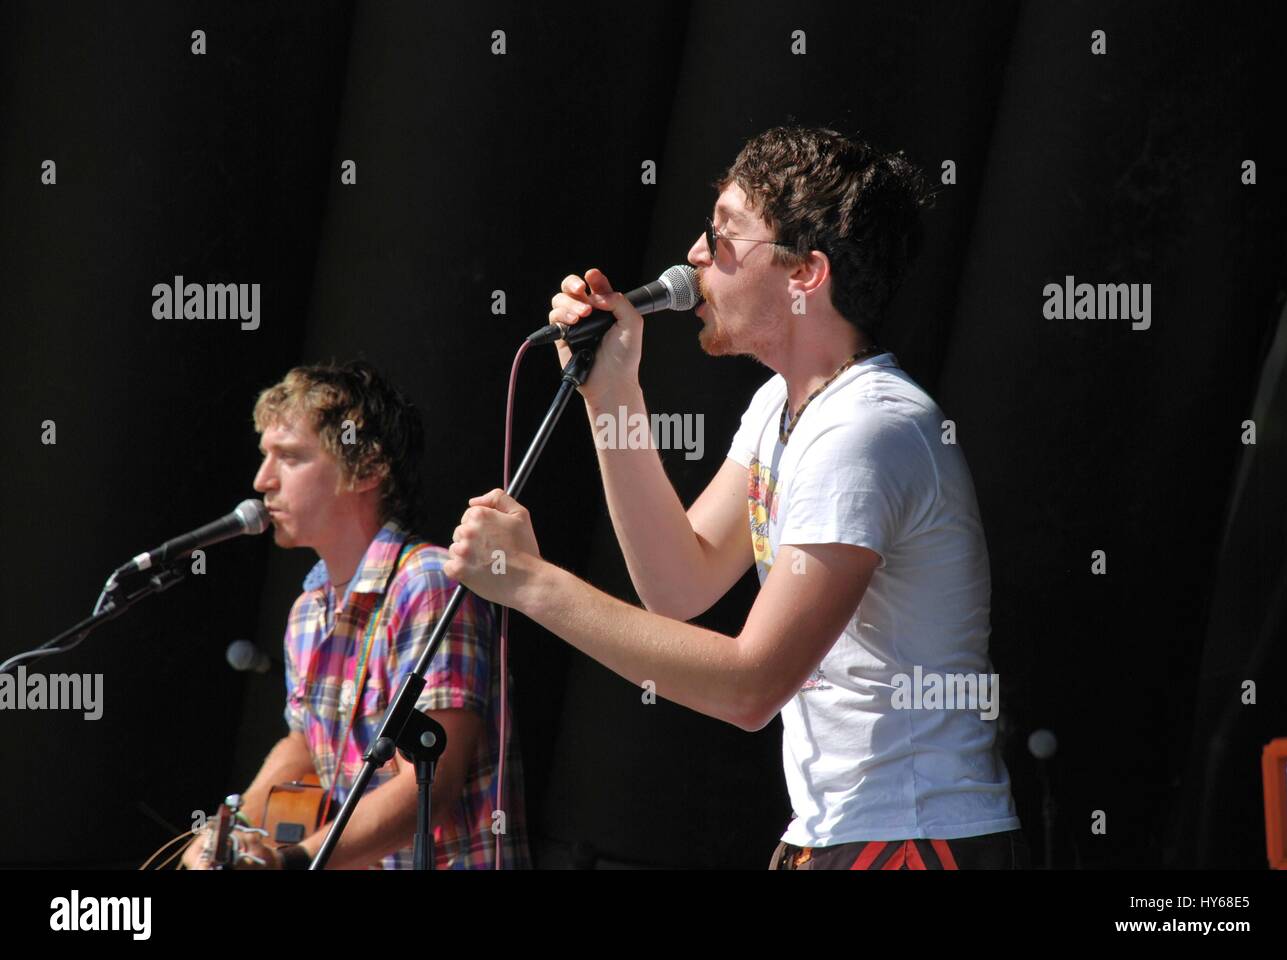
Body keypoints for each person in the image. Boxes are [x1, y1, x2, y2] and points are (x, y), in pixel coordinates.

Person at [445, 126, 1026, 869]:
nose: (694, 256)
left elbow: (752, 686)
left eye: (723, 238)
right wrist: (611, 392)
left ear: (805, 274)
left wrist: (530, 582)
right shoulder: (779, 411)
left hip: (914, 831)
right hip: (836, 831)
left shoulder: (868, 429)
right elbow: (676, 584)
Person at [183, 360, 528, 869]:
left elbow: (433, 781)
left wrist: (292, 861)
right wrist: (226, 831)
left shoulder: (426, 582)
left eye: (291, 457)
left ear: (369, 467)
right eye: (265, 457)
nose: (262, 480)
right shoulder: (307, 611)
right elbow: (305, 742)